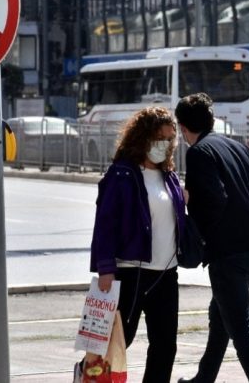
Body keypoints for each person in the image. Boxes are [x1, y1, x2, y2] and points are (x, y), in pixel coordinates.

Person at [175, 93, 249, 383]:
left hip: (228, 255)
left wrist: (197, 226)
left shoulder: (198, 153)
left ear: (183, 128)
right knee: (220, 317)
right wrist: (248, 215)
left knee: (241, 332)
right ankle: (203, 378)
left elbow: (213, 200)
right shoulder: (237, 147)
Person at [89, 106, 185, 382]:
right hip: (131, 272)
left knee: (165, 345)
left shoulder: (169, 176)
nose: (164, 146)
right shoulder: (121, 174)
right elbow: (105, 223)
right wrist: (105, 268)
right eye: (159, 139)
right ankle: (89, 377)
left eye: (169, 139)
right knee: (117, 341)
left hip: (166, 274)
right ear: (143, 138)